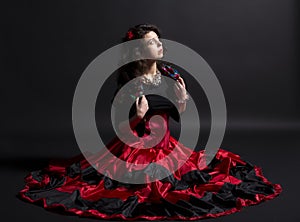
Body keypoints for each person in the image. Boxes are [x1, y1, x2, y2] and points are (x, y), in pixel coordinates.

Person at [18, 23, 282, 221]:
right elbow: (122, 130)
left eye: (159, 40)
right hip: (135, 148)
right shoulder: (130, 83)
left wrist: (182, 102)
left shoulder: (171, 74)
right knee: (133, 186)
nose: (159, 45)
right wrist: (138, 116)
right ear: (139, 51)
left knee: (201, 177)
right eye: (152, 42)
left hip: (168, 145)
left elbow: (174, 116)